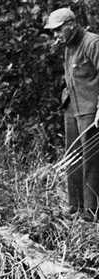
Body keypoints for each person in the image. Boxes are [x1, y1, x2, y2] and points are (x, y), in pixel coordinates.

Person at [45, 8, 99, 221]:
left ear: (71, 25)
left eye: (58, 30)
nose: (55, 35)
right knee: (72, 158)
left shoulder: (92, 43)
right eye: (53, 31)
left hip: (90, 110)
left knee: (91, 162)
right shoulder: (67, 45)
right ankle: (74, 207)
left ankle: (91, 212)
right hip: (72, 109)